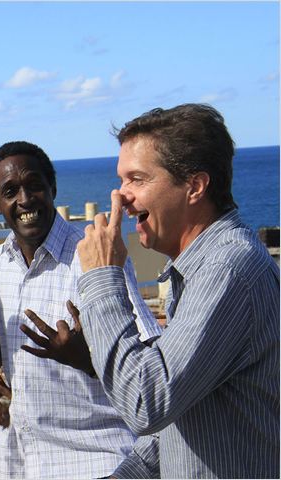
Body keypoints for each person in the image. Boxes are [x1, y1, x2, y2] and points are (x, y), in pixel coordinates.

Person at [32, 104, 279, 478]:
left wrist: (102, 276)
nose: (121, 197)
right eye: (122, 180)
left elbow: (145, 401)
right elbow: (175, 425)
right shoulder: (199, 269)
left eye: (137, 179)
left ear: (195, 186)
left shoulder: (227, 270)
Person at [0, 141, 162, 479]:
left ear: (52, 189)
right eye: (10, 191)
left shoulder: (92, 258)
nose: (25, 199)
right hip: (17, 461)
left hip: (93, 460)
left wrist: (86, 359)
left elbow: (149, 365)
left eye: (34, 185)